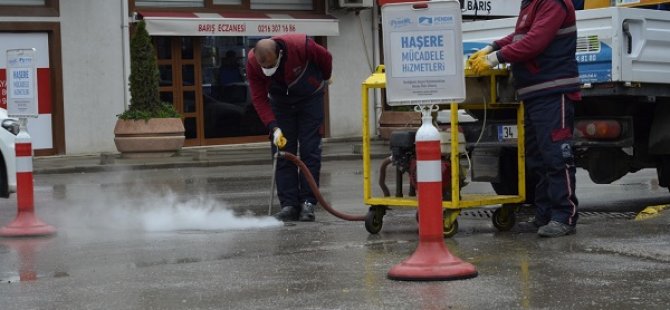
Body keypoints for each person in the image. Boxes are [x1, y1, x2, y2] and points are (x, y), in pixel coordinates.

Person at [468, 0, 580, 237]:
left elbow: (534, 41)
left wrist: (494, 57)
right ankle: (544, 216)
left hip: (553, 91)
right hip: (533, 93)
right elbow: (521, 36)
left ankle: (564, 216)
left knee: (556, 156)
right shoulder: (532, 4)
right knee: (538, 159)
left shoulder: (553, 3)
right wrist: (492, 47)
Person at [246, 34, 332, 222]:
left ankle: (308, 203)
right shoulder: (253, 63)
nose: (267, 70)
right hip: (281, 104)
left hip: (310, 99)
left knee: (310, 151)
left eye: (270, 65)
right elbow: (259, 98)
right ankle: (289, 205)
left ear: (280, 53)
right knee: (282, 152)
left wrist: (323, 79)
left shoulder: (301, 45)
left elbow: (326, 58)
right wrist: (273, 126)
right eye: (264, 67)